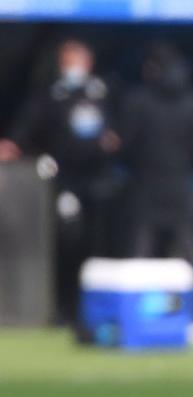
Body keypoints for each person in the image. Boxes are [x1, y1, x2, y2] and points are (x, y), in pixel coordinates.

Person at [0, 36, 121, 324]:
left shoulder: (101, 93)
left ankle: (93, 307)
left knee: (98, 243)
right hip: (65, 180)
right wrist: (12, 144)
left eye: (78, 60)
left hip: (98, 180)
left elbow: (118, 130)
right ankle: (64, 307)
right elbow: (28, 128)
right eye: (68, 61)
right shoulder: (52, 95)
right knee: (68, 241)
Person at [119, 44, 193, 260]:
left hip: (143, 186)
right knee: (183, 253)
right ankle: (184, 295)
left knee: (140, 250)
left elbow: (125, 144)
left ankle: (141, 294)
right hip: (181, 186)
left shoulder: (137, 100)